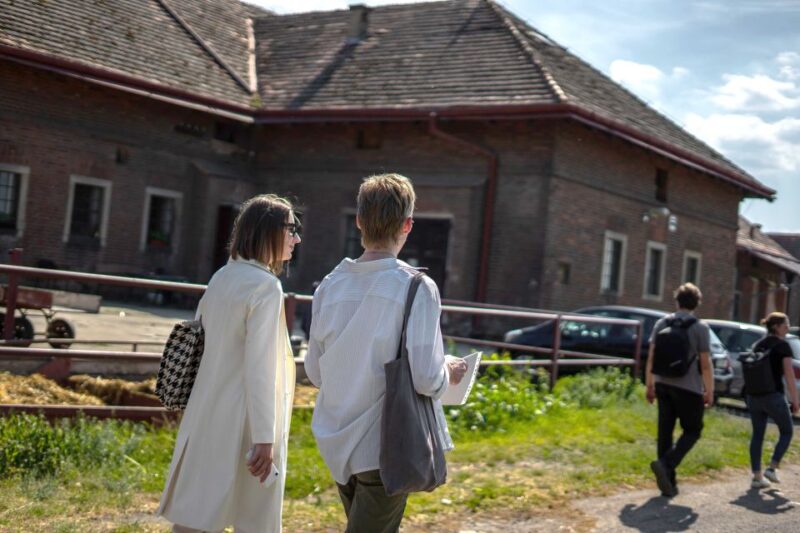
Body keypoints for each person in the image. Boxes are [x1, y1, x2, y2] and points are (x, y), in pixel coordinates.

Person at [304, 173, 467, 533]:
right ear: (408, 225)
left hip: (334, 440)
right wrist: (449, 373)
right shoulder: (416, 287)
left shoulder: (329, 285)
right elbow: (426, 377)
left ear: (359, 221)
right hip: (384, 445)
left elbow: (315, 372)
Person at [158, 194, 302, 533]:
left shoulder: (222, 277)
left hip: (206, 413)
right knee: (254, 520)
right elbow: (261, 368)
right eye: (292, 229)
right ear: (268, 231)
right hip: (245, 424)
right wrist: (265, 438)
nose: (297, 238)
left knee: (197, 513)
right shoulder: (266, 287)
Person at [645, 282, 713, 498]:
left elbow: (652, 356)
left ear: (677, 301)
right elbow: (705, 363)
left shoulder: (661, 323)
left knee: (664, 432)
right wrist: (709, 390)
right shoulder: (701, 328)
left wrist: (650, 384)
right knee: (693, 430)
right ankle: (667, 464)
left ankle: (669, 484)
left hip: (663, 384)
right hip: (689, 387)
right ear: (696, 304)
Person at [747, 312, 799, 489]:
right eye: (785, 325)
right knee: (787, 431)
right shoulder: (783, 346)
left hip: (754, 396)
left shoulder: (758, 344)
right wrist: (795, 400)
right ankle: (772, 467)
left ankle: (756, 476)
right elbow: (789, 374)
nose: (787, 328)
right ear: (776, 327)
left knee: (757, 435)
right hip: (773, 396)